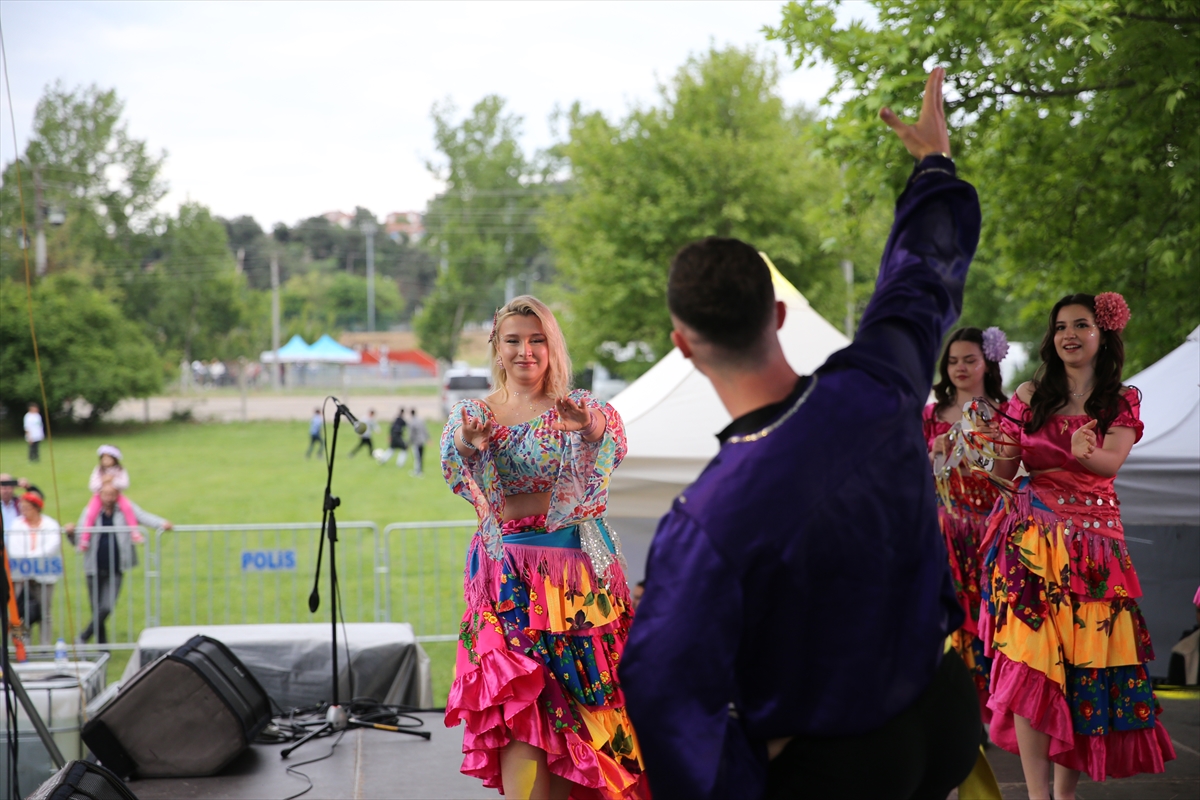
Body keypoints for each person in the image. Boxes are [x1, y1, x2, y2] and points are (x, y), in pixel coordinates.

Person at [621, 68, 982, 799]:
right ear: (778, 315)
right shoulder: (876, 385)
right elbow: (919, 283)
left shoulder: (708, 519)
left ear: (683, 344)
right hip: (943, 714)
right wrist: (933, 165)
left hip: (838, 760)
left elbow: (664, 693)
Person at [441, 295, 648, 799]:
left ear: (552, 346)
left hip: (577, 579)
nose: (525, 351)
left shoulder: (578, 407)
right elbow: (454, 460)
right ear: (497, 347)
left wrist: (588, 429)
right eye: (513, 340)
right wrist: (472, 442)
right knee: (522, 709)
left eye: (537, 340)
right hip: (508, 578)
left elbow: (612, 440)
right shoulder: (475, 414)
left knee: (580, 712)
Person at [982, 292, 1175, 799]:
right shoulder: (1029, 394)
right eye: (1061, 326)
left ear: (1102, 334)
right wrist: (989, 446)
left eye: (1082, 325)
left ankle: (1063, 796)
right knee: (1030, 667)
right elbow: (1002, 475)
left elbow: (1110, 464)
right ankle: (1035, 795)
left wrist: (1083, 454)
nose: (1069, 334)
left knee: (1080, 671)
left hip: (1093, 554)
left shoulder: (1120, 400)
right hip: (1031, 547)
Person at [924, 326, 1009, 720]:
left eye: (969, 360)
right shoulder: (930, 416)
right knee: (949, 616)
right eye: (953, 360)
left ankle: (992, 712)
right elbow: (907, 473)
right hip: (944, 532)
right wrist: (931, 453)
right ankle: (954, 712)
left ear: (988, 362)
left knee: (995, 618)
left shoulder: (1007, 414)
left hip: (994, 533)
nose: (959, 367)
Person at [65, 482, 172, 644]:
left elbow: (144, 517)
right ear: (99, 494)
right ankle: (103, 649)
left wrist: (162, 523)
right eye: (105, 494)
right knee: (97, 610)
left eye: (112, 494)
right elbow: (79, 538)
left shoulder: (125, 508)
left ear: (117, 495)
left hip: (116, 567)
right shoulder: (90, 512)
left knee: (106, 607)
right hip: (93, 567)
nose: (108, 498)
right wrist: (70, 534)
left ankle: (84, 636)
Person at [6, 489, 61, 645]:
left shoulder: (50, 524)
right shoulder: (17, 524)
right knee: (19, 612)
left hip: (44, 576)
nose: (24, 510)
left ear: (36, 508)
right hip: (21, 577)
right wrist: (30, 561)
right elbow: (14, 547)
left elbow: (52, 546)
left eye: (27, 507)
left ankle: (45, 646)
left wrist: (31, 558)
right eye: (22, 507)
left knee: (45, 612)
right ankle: (22, 646)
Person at [408, 407, 429, 476]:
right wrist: (428, 438)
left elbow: (411, 434)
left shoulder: (411, 422)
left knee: (417, 457)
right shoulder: (420, 421)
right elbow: (424, 430)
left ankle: (417, 471)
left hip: (416, 442)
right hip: (422, 441)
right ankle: (420, 470)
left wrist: (409, 442)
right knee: (421, 456)